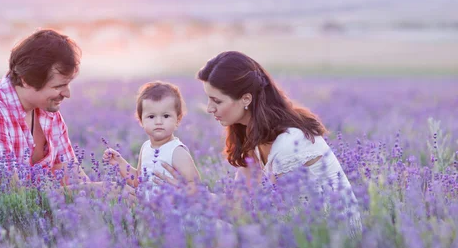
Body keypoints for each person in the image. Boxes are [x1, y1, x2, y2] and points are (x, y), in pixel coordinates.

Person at [159, 51, 361, 232]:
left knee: (195, 225)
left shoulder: (289, 145)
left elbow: (291, 224)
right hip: (289, 236)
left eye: (217, 101)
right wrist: (194, 195)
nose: (209, 108)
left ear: (246, 99)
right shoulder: (252, 137)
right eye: (209, 99)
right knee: (187, 219)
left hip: (328, 244)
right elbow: (238, 207)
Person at [0, 29, 89, 184]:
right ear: (26, 80)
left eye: (68, 84)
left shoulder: (48, 111)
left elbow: (76, 183)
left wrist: (112, 189)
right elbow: (5, 194)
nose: (67, 93)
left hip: (39, 207)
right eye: (58, 86)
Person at [103, 81, 200, 197]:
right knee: (112, 189)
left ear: (178, 120)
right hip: (146, 206)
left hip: (171, 208)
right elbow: (137, 181)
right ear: (141, 121)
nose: (158, 122)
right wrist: (119, 163)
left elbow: (196, 185)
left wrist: (181, 193)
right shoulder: (146, 147)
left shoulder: (177, 151)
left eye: (166, 116)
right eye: (151, 116)